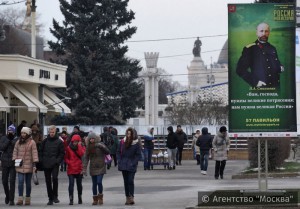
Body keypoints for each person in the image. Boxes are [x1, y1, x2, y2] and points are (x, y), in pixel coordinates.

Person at [236, 22, 284, 88]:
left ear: (269, 33)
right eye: (261, 31)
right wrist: (255, 82)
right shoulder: (250, 49)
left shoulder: (272, 48)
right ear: (257, 33)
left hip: (275, 88)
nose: (264, 34)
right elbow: (240, 70)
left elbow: (275, 62)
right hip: (260, 90)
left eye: (266, 31)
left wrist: (280, 66)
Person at [12, 127, 38, 206]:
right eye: (22, 133)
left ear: (28, 134)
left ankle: (27, 198)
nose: (23, 134)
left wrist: (34, 164)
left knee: (28, 183)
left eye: (24, 133)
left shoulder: (32, 142)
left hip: (29, 165)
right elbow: (15, 151)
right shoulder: (18, 142)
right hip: (20, 165)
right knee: (20, 182)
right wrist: (14, 159)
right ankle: (20, 199)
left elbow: (34, 153)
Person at [83, 132, 110, 205]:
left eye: (93, 138)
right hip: (93, 167)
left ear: (95, 138)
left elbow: (107, 152)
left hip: (101, 166)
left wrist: (102, 146)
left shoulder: (100, 144)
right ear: (88, 139)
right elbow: (86, 158)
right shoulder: (88, 147)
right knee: (94, 184)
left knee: (99, 182)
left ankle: (100, 196)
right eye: (90, 139)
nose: (92, 140)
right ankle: (95, 199)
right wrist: (84, 169)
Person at [40, 125, 65, 205]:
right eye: (50, 132)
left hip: (55, 163)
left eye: (53, 132)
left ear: (55, 132)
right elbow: (40, 151)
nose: (51, 133)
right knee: (48, 181)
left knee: (54, 178)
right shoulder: (45, 141)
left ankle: (55, 196)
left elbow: (62, 153)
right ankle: (50, 198)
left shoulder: (59, 141)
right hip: (46, 163)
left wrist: (57, 161)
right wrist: (42, 160)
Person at [117, 127, 141, 205]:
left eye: (130, 134)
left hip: (132, 164)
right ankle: (127, 197)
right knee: (126, 181)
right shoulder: (122, 142)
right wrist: (120, 161)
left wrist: (133, 162)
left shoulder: (136, 143)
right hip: (123, 163)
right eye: (127, 134)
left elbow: (138, 155)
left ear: (133, 135)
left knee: (130, 180)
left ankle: (131, 196)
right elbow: (118, 152)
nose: (129, 135)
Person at [64, 135, 86, 205]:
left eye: (77, 141)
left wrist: (79, 146)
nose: (75, 143)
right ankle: (71, 199)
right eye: (74, 141)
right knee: (71, 184)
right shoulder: (68, 148)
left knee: (79, 185)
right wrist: (69, 162)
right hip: (71, 169)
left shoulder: (81, 147)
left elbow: (82, 154)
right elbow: (66, 158)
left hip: (79, 169)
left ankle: (80, 197)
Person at [0, 125, 18, 205]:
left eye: (12, 131)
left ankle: (11, 199)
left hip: (13, 162)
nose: (10, 132)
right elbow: (2, 148)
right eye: (9, 131)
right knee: (4, 181)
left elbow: (17, 148)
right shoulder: (4, 138)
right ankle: (7, 195)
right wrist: (8, 140)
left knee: (12, 181)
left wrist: (12, 140)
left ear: (14, 132)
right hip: (4, 162)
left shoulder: (16, 139)